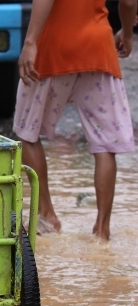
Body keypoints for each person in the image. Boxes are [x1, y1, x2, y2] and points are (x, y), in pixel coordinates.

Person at [13, 0, 136, 241]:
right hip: (99, 48)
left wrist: (29, 42)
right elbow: (129, 2)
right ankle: (102, 230)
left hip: (54, 46)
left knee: (27, 133)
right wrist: (127, 33)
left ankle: (47, 214)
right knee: (104, 145)